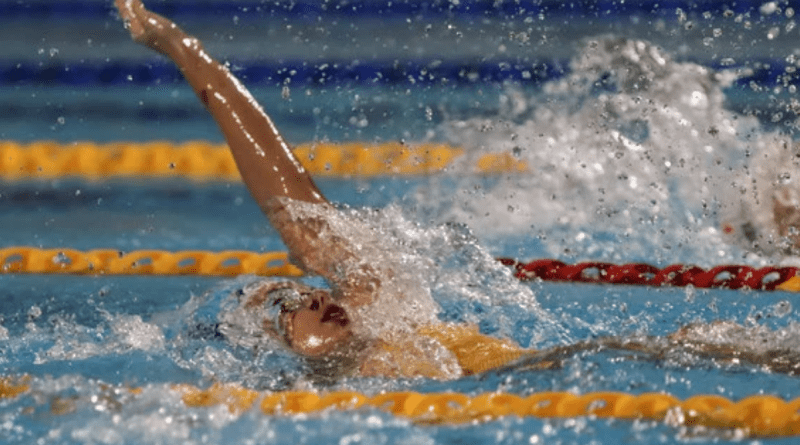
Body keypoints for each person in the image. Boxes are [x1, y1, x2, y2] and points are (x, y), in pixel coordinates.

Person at [115, 0, 800, 381]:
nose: (312, 295)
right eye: (286, 308)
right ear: (274, 351)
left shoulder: (384, 309)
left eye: (301, 287)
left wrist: (183, 50)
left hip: (619, 360)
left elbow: (292, 209)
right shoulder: (326, 397)